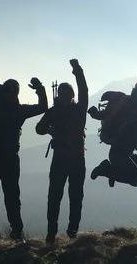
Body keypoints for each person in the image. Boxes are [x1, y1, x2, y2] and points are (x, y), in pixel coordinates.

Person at [0, 77, 48, 247]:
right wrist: (39, 89)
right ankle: (17, 233)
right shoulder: (18, 111)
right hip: (10, 159)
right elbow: (42, 107)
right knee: (11, 197)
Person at [35, 59, 88, 245]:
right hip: (75, 158)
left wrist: (50, 130)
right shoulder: (79, 109)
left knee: (57, 196)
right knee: (73, 196)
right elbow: (84, 91)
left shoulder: (54, 111)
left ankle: (54, 233)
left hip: (62, 159)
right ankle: (69, 231)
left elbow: (39, 128)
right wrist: (78, 71)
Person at [89, 82, 137, 187]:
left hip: (128, 154)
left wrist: (94, 113)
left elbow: (104, 115)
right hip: (117, 154)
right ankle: (107, 170)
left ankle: (113, 172)